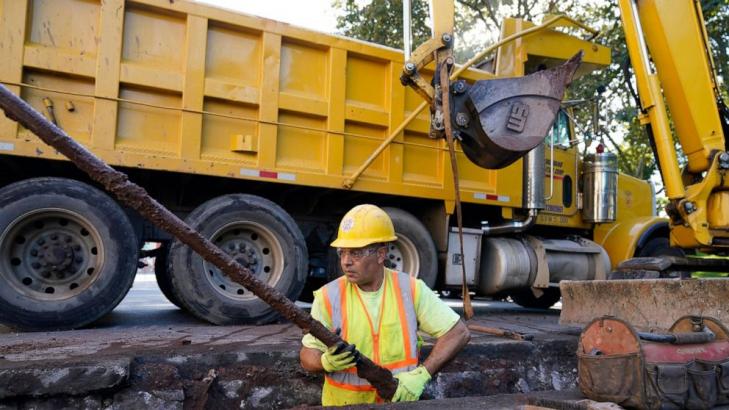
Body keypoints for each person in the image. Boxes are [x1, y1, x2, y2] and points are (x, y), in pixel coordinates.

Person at [300, 204, 470, 406]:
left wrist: (422, 374)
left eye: (355, 253)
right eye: (342, 252)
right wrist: (323, 362)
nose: (346, 262)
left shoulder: (411, 289)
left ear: (381, 254)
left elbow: (458, 333)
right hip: (344, 405)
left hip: (395, 403)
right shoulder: (329, 296)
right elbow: (307, 355)